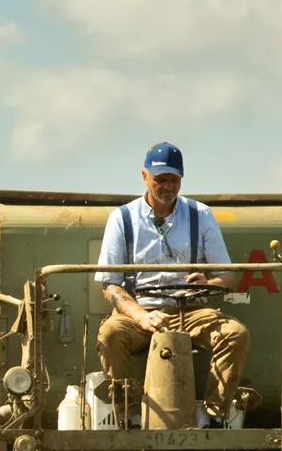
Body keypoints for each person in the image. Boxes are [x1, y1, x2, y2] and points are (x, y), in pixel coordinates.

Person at [95, 142, 252, 426]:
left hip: (191, 311)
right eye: (160, 179)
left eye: (173, 180)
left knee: (235, 333)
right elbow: (111, 285)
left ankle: (214, 418)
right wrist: (141, 316)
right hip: (140, 310)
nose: (167, 186)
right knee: (110, 334)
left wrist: (209, 281)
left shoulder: (200, 215)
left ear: (181, 179)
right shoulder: (121, 219)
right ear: (144, 176)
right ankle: (129, 416)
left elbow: (229, 277)